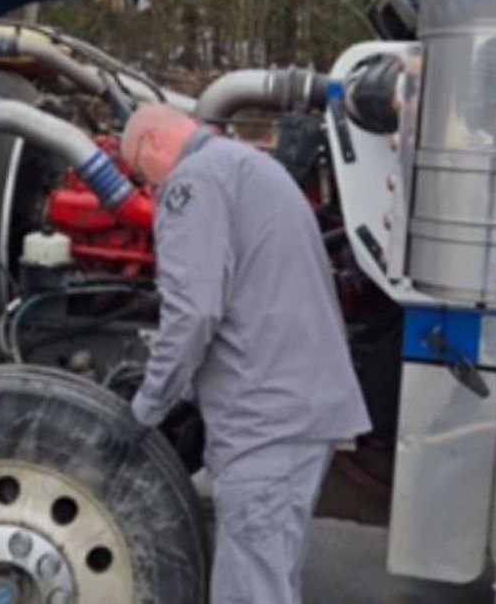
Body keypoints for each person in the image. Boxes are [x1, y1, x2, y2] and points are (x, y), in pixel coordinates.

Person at [118, 104, 371, 604]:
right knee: (272, 581)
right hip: (299, 411)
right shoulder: (248, 165)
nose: (150, 188)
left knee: (249, 590)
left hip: (263, 420)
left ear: (151, 142)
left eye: (141, 175)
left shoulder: (194, 180)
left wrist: (147, 407)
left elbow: (193, 313)